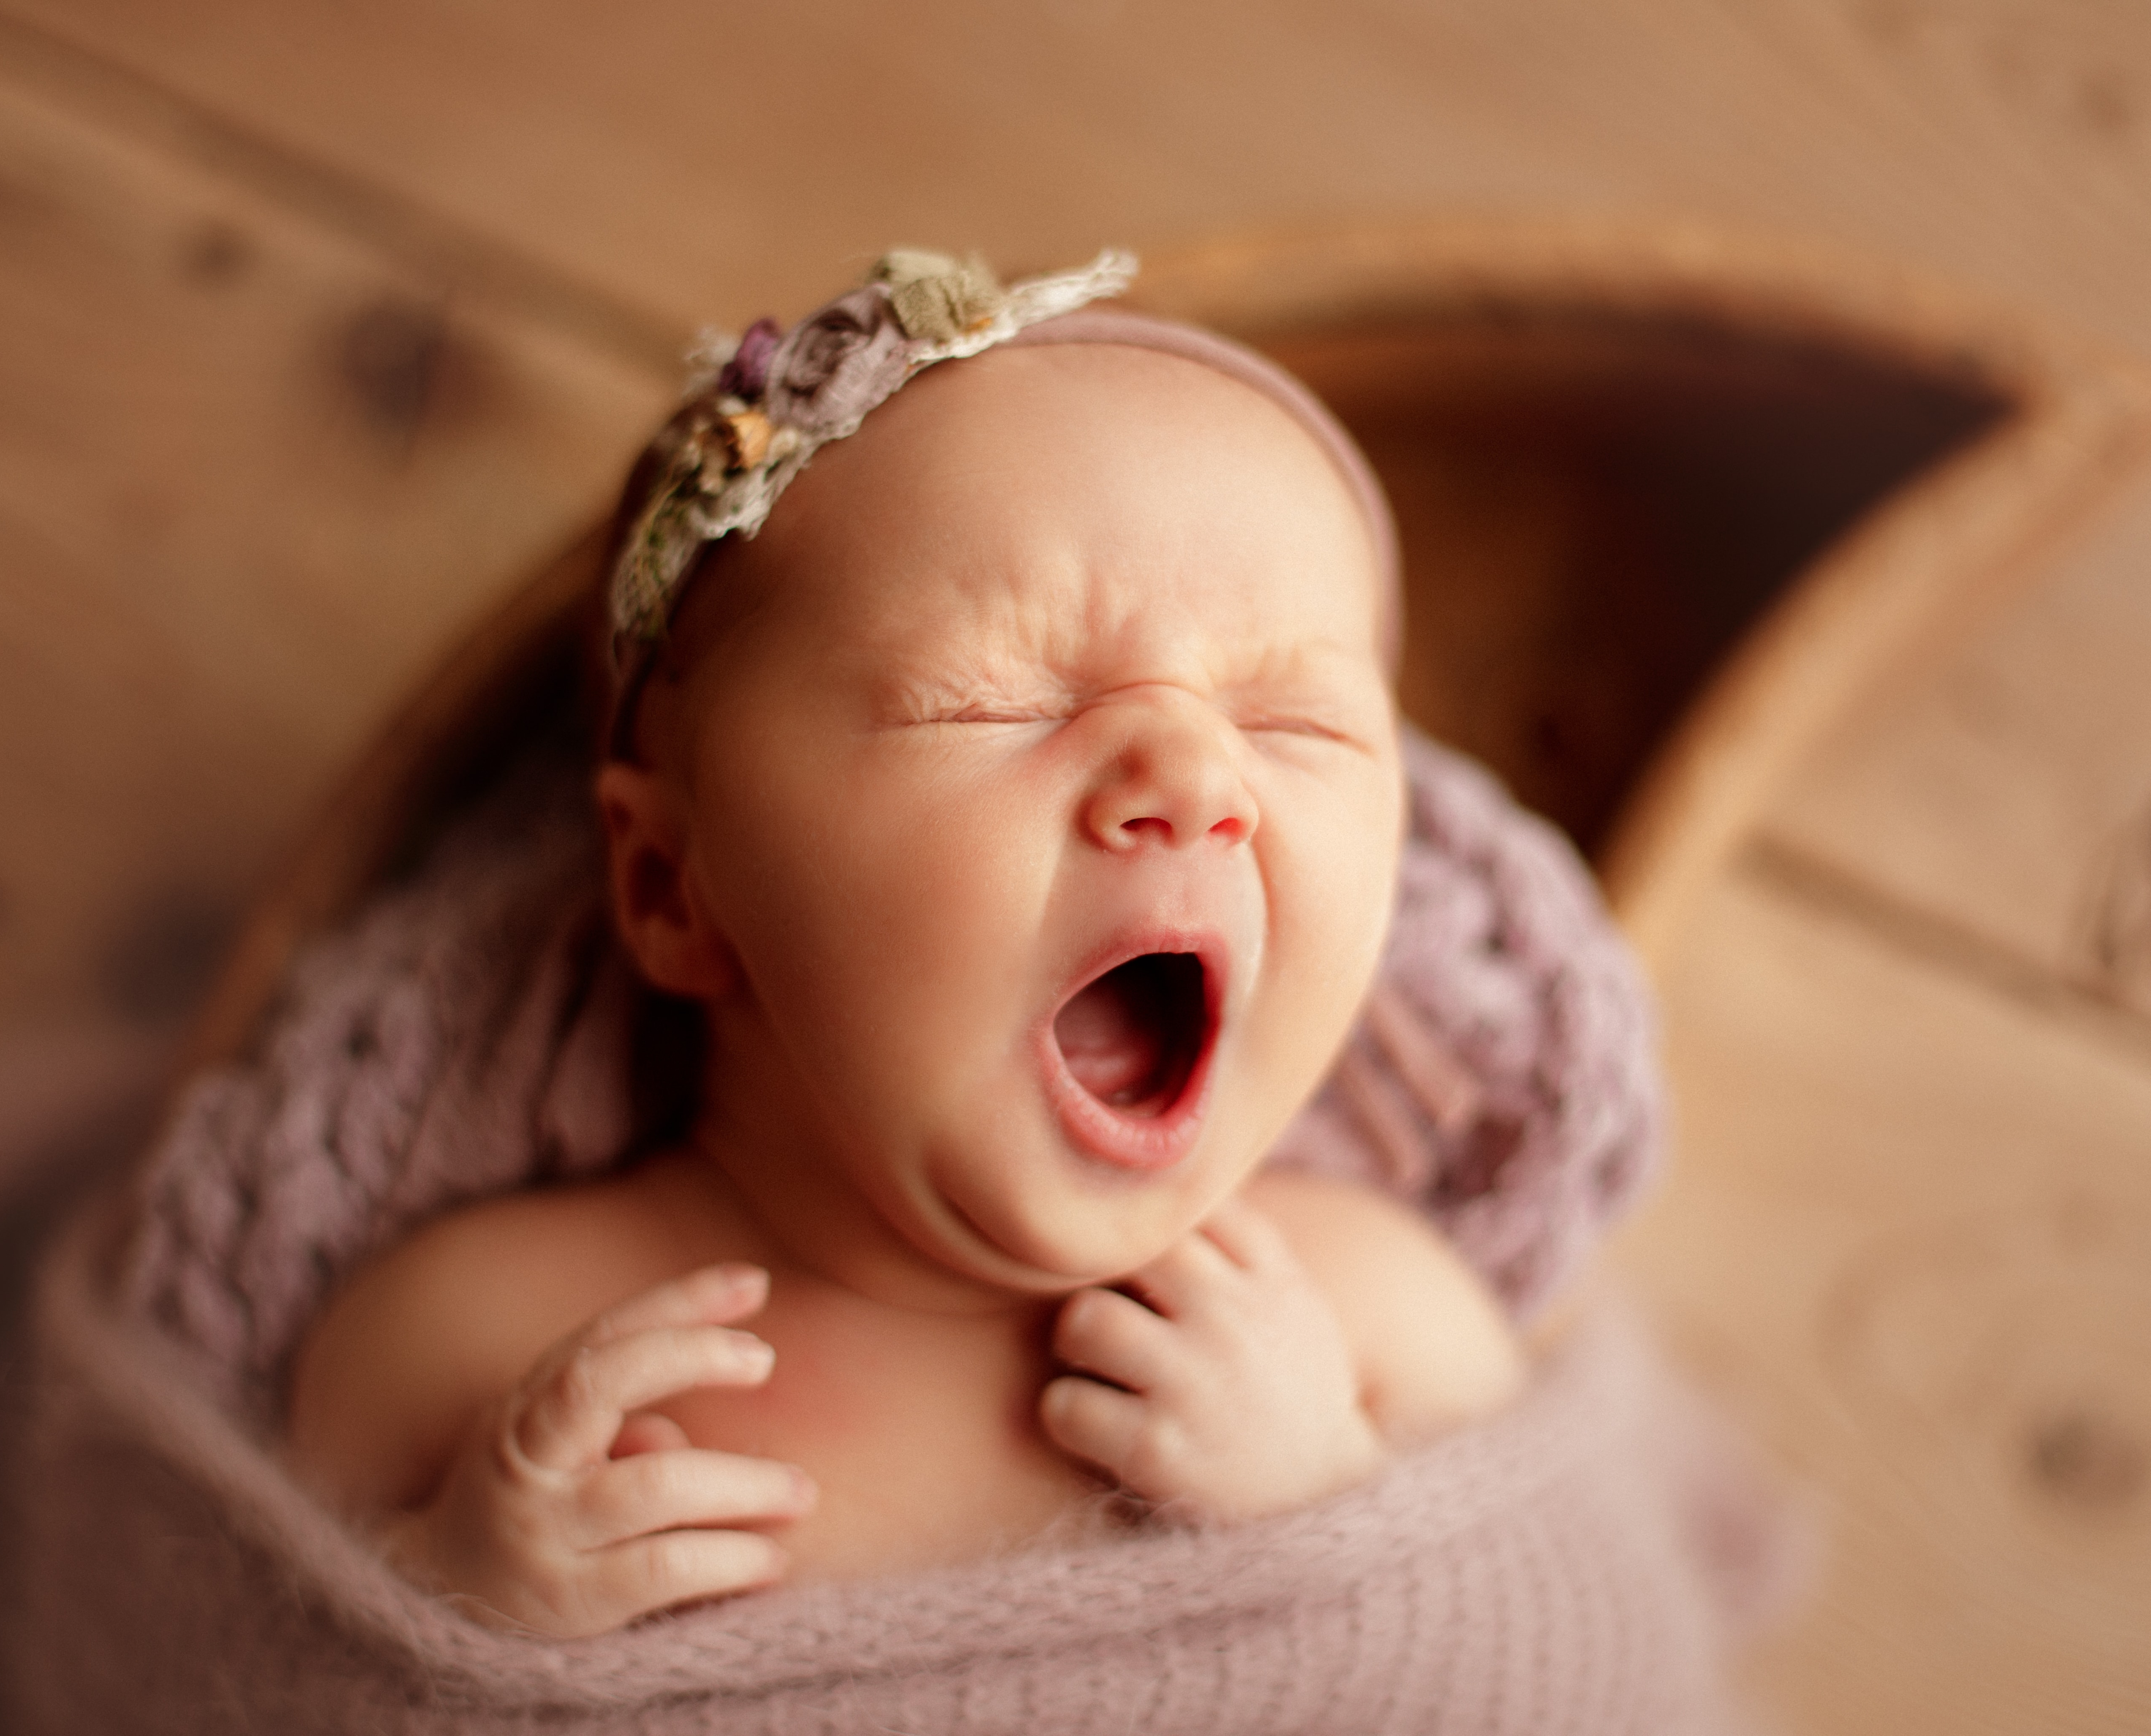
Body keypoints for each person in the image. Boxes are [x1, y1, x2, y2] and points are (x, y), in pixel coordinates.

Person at [283, 250, 1525, 1640]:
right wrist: (448, 1601)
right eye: (986, 704)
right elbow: (205, 1666)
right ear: (672, 887)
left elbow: (1572, 1673)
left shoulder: (1377, 1331)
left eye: (1297, 725)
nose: (1194, 778)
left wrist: (1342, 1525)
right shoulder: (475, 1355)